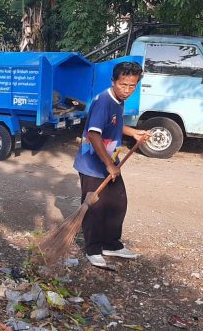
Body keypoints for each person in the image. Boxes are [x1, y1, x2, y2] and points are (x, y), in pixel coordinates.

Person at [73, 61, 151, 268]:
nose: (127, 90)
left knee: (118, 203)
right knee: (94, 207)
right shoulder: (103, 101)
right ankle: (93, 249)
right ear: (113, 81)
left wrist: (133, 132)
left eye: (132, 86)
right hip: (93, 164)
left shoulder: (118, 101)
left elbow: (113, 123)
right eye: (123, 85)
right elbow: (94, 133)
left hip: (109, 161)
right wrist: (108, 163)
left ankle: (111, 244)